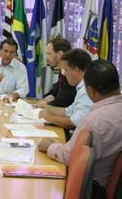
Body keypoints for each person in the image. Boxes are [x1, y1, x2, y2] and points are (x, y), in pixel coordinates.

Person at [38, 60, 122, 198]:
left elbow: (69, 156)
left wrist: (50, 147)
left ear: (90, 91)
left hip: (93, 189)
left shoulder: (94, 120)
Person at [39, 49, 93, 129]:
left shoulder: (86, 91)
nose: (64, 74)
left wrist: (50, 118)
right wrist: (47, 108)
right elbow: (69, 111)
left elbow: (75, 123)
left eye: (66, 70)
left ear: (76, 70)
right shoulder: (81, 87)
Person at [37, 38, 76, 107]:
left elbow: (64, 101)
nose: (46, 58)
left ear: (59, 54)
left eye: (49, 54)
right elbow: (57, 88)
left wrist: (46, 104)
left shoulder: (71, 73)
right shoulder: (63, 70)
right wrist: (50, 95)